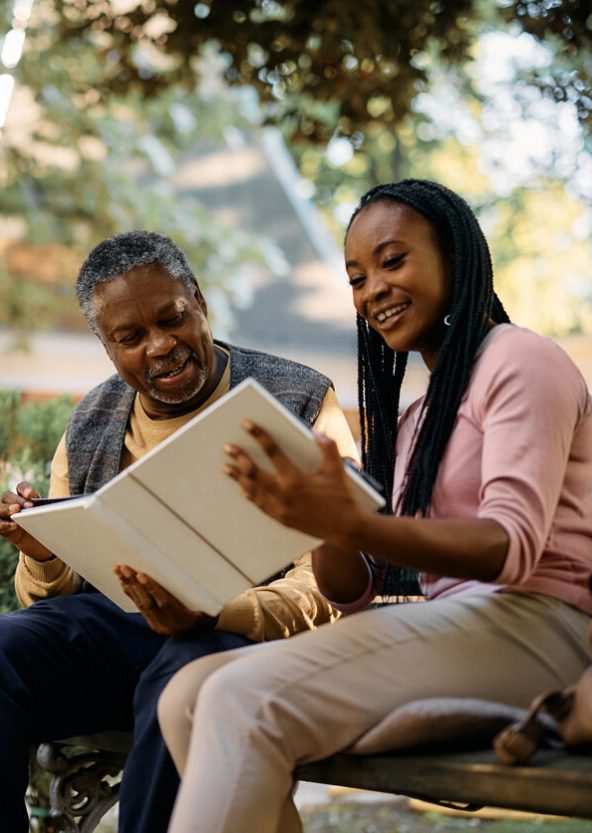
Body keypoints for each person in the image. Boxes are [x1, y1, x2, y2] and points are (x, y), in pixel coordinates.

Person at [157, 179, 592, 833]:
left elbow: (512, 546)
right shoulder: (419, 414)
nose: (372, 291)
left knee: (237, 696)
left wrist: (353, 521)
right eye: (358, 278)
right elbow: (353, 591)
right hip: (463, 626)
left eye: (392, 261)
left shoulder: (520, 359)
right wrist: (319, 525)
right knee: (186, 694)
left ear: (455, 254)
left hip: (543, 627)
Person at [0, 230, 358, 833]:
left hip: (239, 641)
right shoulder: (91, 417)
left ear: (198, 300)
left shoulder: (296, 399)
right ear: (106, 346)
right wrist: (46, 554)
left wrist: (219, 613)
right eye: (130, 337)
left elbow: (332, 588)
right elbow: (47, 607)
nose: (161, 346)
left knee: (183, 680)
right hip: (122, 639)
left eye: (172, 319)